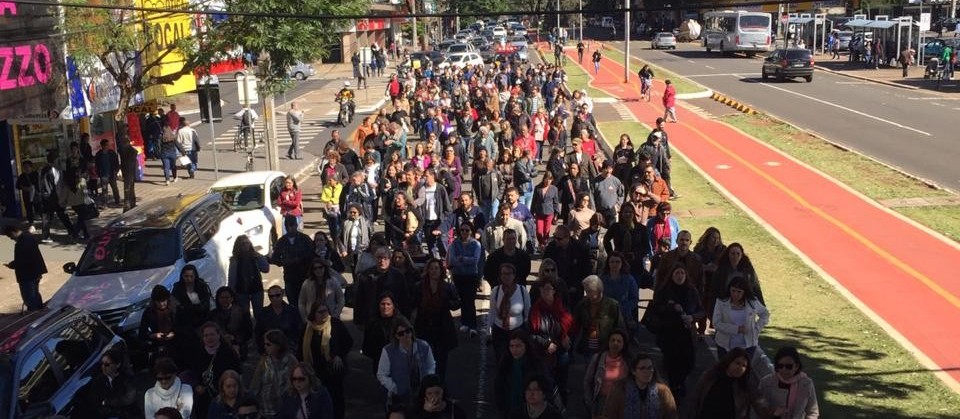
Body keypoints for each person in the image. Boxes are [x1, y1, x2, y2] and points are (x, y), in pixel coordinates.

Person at [642, 265, 703, 396]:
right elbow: (654, 308)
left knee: (689, 362)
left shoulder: (692, 291)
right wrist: (671, 307)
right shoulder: (664, 290)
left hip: (687, 333)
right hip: (668, 333)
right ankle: (674, 388)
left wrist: (692, 317)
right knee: (672, 363)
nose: (680, 276)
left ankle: (679, 382)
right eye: (677, 273)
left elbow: (701, 311)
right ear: (671, 275)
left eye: (682, 273)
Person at [411, 258, 461, 380]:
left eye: (436, 268)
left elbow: (457, 303)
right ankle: (425, 388)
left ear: (441, 270)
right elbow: (413, 304)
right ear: (427, 270)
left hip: (442, 327)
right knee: (424, 359)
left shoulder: (447, 287)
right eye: (431, 268)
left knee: (441, 361)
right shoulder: (419, 287)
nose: (434, 271)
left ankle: (440, 387)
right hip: (424, 326)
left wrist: (447, 303)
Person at [302, 302, 353, 419]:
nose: (324, 314)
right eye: (320, 312)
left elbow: (348, 342)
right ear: (314, 314)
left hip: (332, 371)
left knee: (336, 398)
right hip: (314, 370)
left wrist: (339, 355)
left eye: (326, 311)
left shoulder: (335, 324)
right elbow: (301, 349)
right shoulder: (307, 328)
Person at [527, 278, 574, 404]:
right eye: (543, 289)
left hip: (561, 352)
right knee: (547, 385)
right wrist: (546, 343)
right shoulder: (535, 310)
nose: (545, 291)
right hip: (543, 353)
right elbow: (531, 335)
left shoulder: (563, 308)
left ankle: (562, 410)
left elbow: (570, 327)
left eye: (548, 288)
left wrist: (565, 338)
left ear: (554, 291)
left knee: (562, 385)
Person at [377, 317, 436, 410]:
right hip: (400, 396)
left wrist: (427, 382)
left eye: (408, 331)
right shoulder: (388, 351)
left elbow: (431, 365)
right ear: (396, 336)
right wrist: (394, 387)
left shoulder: (424, 346)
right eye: (401, 333)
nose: (405, 335)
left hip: (422, 393)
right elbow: (381, 374)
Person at [494, 331, 555, 417]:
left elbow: (547, 386)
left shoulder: (536, 364)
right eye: (511, 346)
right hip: (509, 410)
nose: (514, 350)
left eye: (518, 346)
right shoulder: (505, 364)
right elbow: (498, 387)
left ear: (526, 346)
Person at [687, 348, 759, 419]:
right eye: (737, 363)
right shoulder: (710, 376)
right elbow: (695, 399)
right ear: (729, 361)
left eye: (744, 366)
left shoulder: (745, 385)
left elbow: (759, 402)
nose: (740, 368)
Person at [190, 323, 243, 419]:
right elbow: (193, 373)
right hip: (204, 398)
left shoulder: (228, 352)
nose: (209, 338)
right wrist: (197, 385)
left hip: (225, 397)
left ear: (218, 335)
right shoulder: (198, 353)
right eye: (206, 335)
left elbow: (238, 373)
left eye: (212, 334)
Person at [603, 353, 679, 419]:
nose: (647, 372)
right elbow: (609, 414)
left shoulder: (663, 392)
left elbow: (671, 415)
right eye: (642, 368)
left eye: (650, 368)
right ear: (633, 371)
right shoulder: (620, 389)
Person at [713, 275, 769, 359]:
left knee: (744, 370)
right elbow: (716, 323)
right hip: (725, 345)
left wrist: (756, 328)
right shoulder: (721, 302)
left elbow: (765, 314)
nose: (735, 294)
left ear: (744, 292)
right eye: (733, 291)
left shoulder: (752, 302)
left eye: (739, 292)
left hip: (748, 345)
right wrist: (736, 329)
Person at [757, 347, 820, 419]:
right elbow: (760, 409)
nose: (784, 369)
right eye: (780, 366)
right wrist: (774, 413)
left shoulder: (806, 383)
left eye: (788, 366)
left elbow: (813, 412)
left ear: (796, 366)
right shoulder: (766, 382)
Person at [572, 275, 626, 360]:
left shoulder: (612, 305)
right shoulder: (582, 304)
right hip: (588, 348)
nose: (586, 294)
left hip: (606, 347)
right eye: (585, 291)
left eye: (589, 291)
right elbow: (575, 324)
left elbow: (620, 327)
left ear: (598, 290)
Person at [75, 348, 138, 418]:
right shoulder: (98, 381)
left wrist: (107, 402)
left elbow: (129, 398)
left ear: (117, 364)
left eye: (107, 364)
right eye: (102, 364)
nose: (103, 367)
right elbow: (95, 402)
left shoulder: (126, 378)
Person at [489, 262, 532, 362]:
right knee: (501, 360)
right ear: (500, 276)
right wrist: (488, 331)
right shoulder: (495, 291)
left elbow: (528, 312)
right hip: (499, 331)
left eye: (509, 274)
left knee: (517, 360)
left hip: (517, 331)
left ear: (514, 275)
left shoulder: (522, 290)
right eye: (503, 274)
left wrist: (525, 330)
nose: (506, 276)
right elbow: (492, 312)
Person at [250, 330, 299, 417]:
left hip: (286, 409)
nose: (265, 347)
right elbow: (256, 383)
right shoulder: (264, 361)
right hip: (267, 409)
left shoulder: (291, 361)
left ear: (278, 345)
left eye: (268, 344)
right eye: (265, 344)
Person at [583, 329, 631, 418]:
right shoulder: (597, 358)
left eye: (619, 341)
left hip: (621, 403)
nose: (615, 343)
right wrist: (589, 401)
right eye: (612, 340)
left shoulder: (628, 361)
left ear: (623, 344)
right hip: (601, 402)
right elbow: (587, 381)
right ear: (608, 342)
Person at [270, 217, 315, 307]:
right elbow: (275, 259)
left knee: (307, 303)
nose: (290, 228)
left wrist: (301, 259)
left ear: (296, 225)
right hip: (290, 277)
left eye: (292, 225)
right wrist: (285, 261)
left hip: (305, 276)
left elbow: (312, 255)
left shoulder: (305, 239)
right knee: (293, 304)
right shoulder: (281, 242)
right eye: (288, 225)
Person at [3, 224, 47, 311]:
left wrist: (12, 265)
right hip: (35, 271)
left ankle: (34, 314)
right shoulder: (28, 237)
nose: (11, 238)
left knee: (30, 297)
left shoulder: (23, 242)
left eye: (10, 236)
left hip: (28, 274)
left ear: (13, 232)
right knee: (35, 294)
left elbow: (23, 259)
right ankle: (38, 311)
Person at [229, 235, 270, 320]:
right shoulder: (235, 260)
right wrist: (231, 293)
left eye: (247, 243)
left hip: (256, 289)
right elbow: (232, 278)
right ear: (239, 246)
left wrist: (259, 257)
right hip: (241, 291)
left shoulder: (255, 256)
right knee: (245, 315)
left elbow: (266, 269)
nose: (246, 246)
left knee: (259, 314)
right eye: (243, 244)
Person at [256, 285, 304, 354]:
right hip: (270, 349)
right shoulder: (263, 313)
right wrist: (262, 350)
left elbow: (299, 331)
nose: (274, 298)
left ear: (282, 295)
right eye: (271, 296)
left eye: (277, 295)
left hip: (289, 348)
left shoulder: (292, 311)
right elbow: (258, 333)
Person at [600, 253, 640, 334]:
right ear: (608, 264)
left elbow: (634, 298)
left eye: (617, 262)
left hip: (625, 314)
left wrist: (622, 309)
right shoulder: (602, 279)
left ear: (622, 263)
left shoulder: (629, 279)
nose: (615, 264)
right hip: (605, 314)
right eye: (612, 262)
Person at [210, 286, 253, 361]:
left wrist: (234, 337)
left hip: (238, 345)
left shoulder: (242, 312)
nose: (224, 300)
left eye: (227, 297)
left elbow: (248, 332)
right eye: (222, 298)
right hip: (218, 346)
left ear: (232, 298)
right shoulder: (213, 314)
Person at [531, 171, 560, 253]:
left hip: (549, 213)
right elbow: (534, 201)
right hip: (539, 213)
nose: (548, 182)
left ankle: (544, 247)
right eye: (547, 179)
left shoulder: (554, 189)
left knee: (546, 231)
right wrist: (531, 212)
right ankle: (541, 243)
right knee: (539, 231)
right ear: (544, 179)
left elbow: (556, 202)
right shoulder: (538, 188)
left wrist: (556, 214)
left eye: (550, 180)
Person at [94, 139, 121, 206]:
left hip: (112, 173)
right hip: (103, 174)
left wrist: (116, 170)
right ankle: (105, 202)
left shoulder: (112, 153)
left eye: (108, 145)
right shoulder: (99, 154)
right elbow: (96, 165)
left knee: (114, 187)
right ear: (103, 146)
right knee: (104, 189)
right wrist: (98, 173)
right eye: (106, 145)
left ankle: (117, 200)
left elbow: (116, 163)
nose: (108, 146)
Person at [118, 137, 139, 210]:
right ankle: (131, 203)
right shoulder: (127, 151)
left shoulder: (128, 151)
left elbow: (129, 163)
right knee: (130, 187)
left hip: (128, 172)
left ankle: (128, 204)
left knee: (128, 188)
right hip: (129, 171)